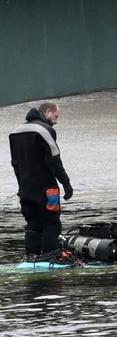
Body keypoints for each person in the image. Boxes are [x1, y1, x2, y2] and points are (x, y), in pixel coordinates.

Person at [9, 101, 73, 260]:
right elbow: (54, 160)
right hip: (47, 189)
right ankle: (52, 256)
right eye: (56, 116)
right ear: (48, 112)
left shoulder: (15, 132)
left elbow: (15, 164)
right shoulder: (45, 130)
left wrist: (20, 187)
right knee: (51, 222)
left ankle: (32, 256)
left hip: (26, 189)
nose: (56, 121)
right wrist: (66, 183)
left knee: (32, 223)